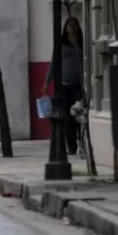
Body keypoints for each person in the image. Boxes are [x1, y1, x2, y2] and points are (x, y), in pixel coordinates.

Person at [43, 16, 84, 155]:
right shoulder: (61, 45)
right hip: (64, 86)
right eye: (70, 25)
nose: (72, 28)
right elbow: (54, 64)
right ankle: (71, 146)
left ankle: (82, 143)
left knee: (79, 114)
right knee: (67, 118)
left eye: (74, 25)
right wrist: (46, 82)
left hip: (79, 85)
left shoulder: (81, 43)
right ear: (65, 28)